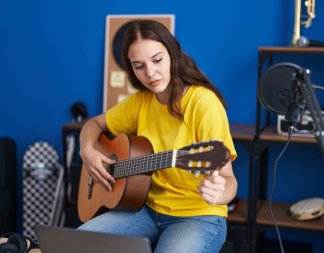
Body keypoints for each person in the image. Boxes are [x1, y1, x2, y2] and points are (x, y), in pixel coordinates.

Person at [78, 19, 237, 253]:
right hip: (146, 211)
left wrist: (220, 193)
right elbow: (93, 124)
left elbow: (229, 180)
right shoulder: (141, 102)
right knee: (78, 243)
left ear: (172, 54)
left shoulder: (203, 104)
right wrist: (87, 151)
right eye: (138, 65)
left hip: (197, 217)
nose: (150, 73)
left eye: (157, 60)